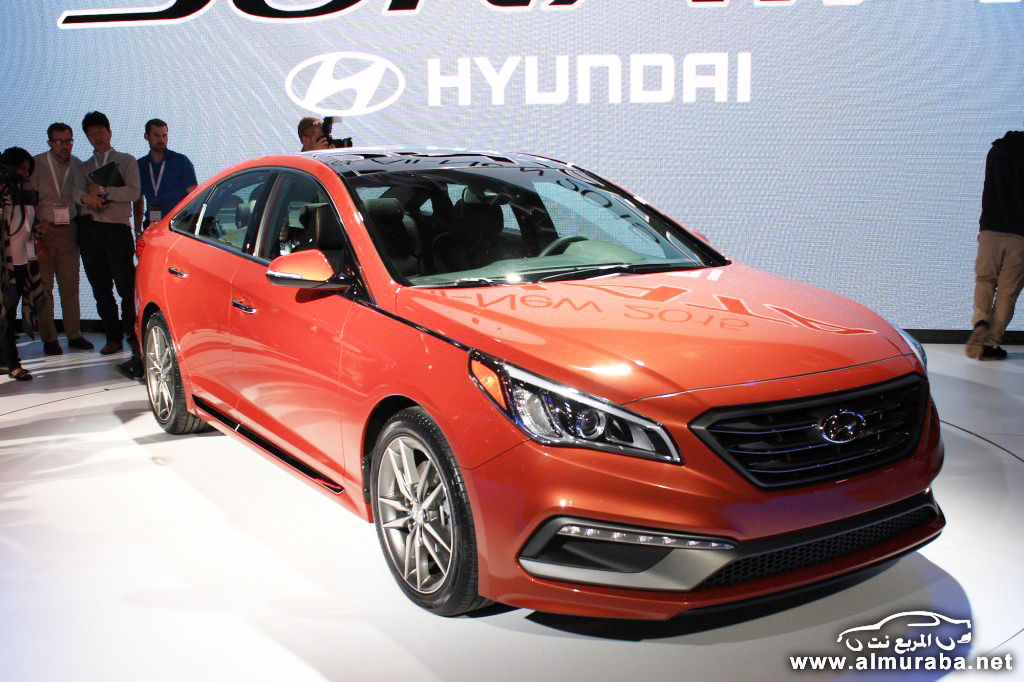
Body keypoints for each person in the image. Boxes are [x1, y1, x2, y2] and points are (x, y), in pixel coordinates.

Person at [72, 111, 143, 378]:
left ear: (110, 132)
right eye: (91, 134)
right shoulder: (84, 167)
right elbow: (75, 193)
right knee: (100, 286)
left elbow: (134, 192)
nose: (97, 137)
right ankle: (112, 337)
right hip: (90, 230)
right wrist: (87, 199)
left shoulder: (126, 160)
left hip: (117, 229)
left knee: (126, 286)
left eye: (100, 131)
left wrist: (103, 191)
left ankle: (133, 337)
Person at [26, 122, 93, 354]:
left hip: (69, 231)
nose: (65, 146)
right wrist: (34, 231)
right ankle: (49, 338)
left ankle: (74, 334)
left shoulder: (78, 165)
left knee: (70, 286)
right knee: (45, 288)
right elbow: (29, 200)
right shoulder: (36, 164)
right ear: (50, 143)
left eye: (69, 141)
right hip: (43, 232)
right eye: (60, 141)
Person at [966, 130, 1024, 360]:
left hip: (990, 227)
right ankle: (990, 344)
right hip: (1020, 235)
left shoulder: (995, 152)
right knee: (1007, 291)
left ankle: (980, 321)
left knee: (985, 280)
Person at [0, 147, 46, 381]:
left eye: (28, 170)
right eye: (21, 168)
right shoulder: (4, 194)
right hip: (4, 265)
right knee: (6, 315)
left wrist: (38, 231)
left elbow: (26, 226)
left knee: (9, 313)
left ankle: (4, 360)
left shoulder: (24, 193)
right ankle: (13, 364)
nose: (25, 174)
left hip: (22, 263)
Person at [133, 118, 198, 235]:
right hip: (152, 225)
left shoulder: (181, 161)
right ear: (146, 136)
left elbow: (194, 196)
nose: (161, 140)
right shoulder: (140, 165)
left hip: (180, 225)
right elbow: (138, 201)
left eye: (164, 136)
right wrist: (137, 230)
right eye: (157, 136)